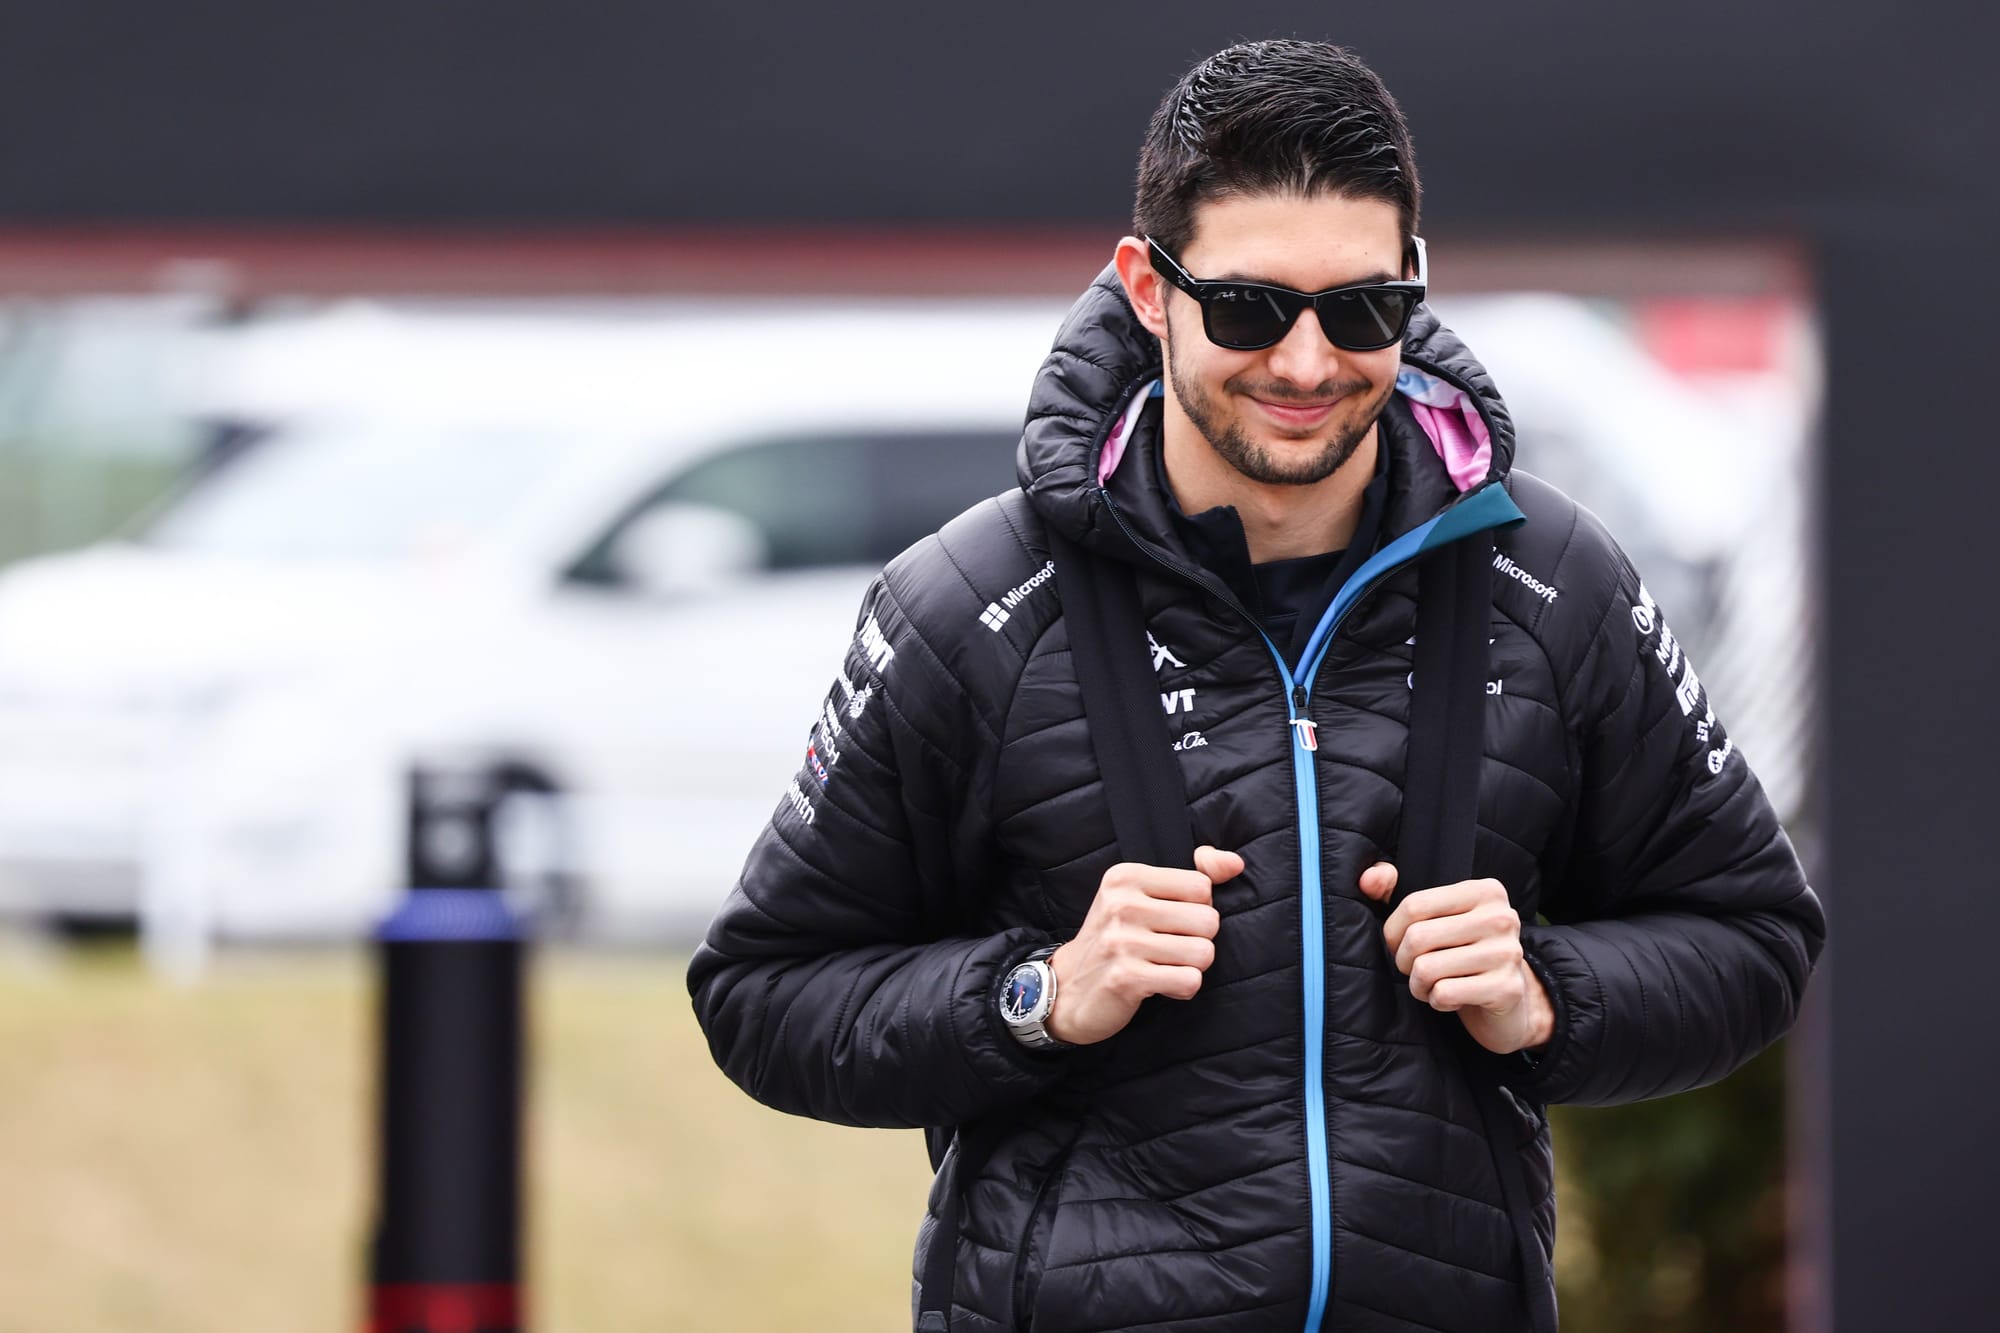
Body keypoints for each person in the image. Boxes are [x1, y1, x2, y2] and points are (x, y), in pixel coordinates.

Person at [688, 38, 1824, 1333]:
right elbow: (763, 992)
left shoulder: (1550, 577)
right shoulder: (969, 604)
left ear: (1413, 286)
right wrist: (1039, 993)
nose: (1304, 363)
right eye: (1247, 309)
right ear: (1148, 290)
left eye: (1361, 310)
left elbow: (1755, 937)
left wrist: (1548, 991)